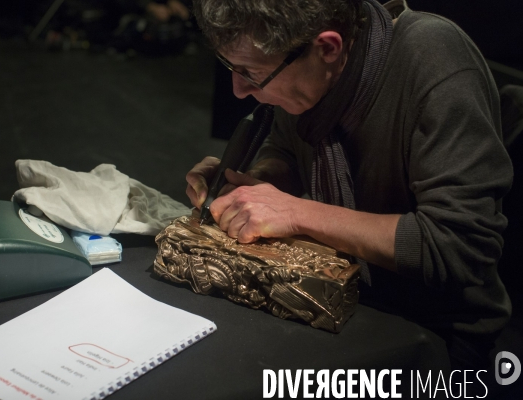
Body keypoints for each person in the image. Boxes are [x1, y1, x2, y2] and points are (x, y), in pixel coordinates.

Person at [185, 0, 513, 371]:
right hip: (339, 298)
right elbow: (287, 149)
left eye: (252, 73)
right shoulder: (304, 70)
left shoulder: (435, 61)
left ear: (327, 48)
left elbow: (457, 246)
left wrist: (295, 212)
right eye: (231, 67)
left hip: (434, 332)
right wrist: (254, 187)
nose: (239, 90)